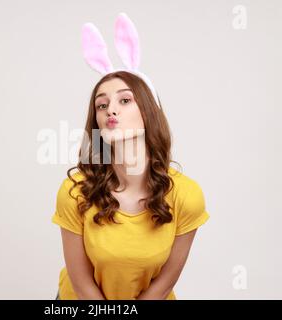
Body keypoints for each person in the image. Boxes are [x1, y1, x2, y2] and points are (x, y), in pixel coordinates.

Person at [51, 13, 210, 300]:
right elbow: (82, 284)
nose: (111, 110)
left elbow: (164, 284)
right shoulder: (74, 192)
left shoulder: (187, 196)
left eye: (125, 100)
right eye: (102, 104)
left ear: (148, 112)